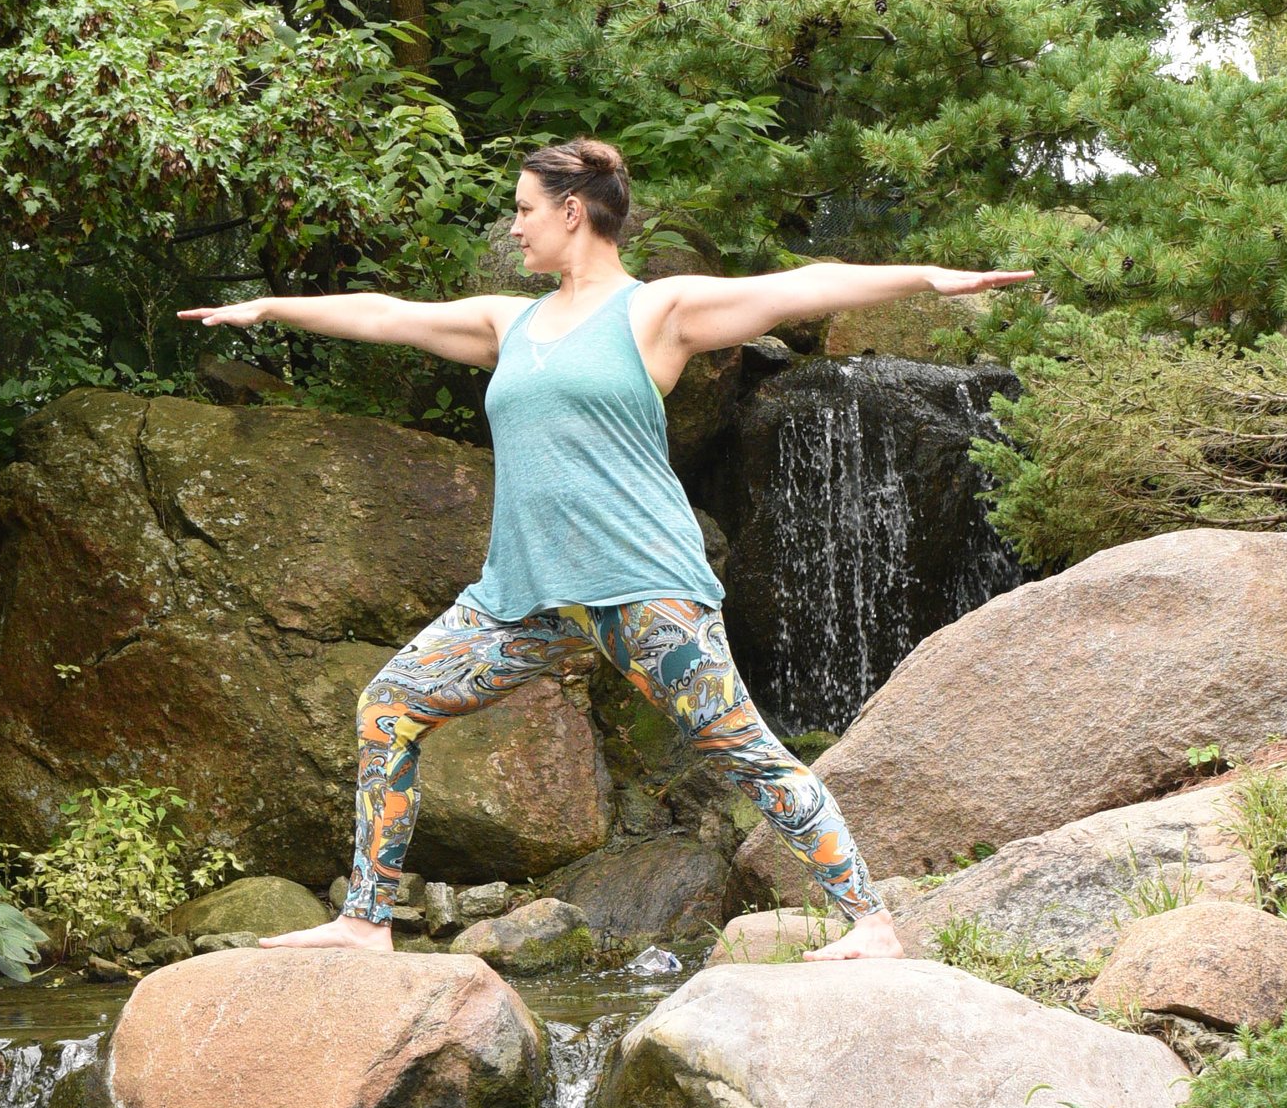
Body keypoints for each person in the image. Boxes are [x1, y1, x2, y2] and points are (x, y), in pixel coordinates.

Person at [177, 137, 1030, 956]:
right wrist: (268, 306)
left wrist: (927, 279)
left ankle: (870, 923)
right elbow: (387, 315)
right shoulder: (508, 323)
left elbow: (801, 285)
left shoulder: (655, 311)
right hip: (525, 600)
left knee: (749, 755)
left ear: (574, 212)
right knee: (388, 707)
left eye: (524, 210)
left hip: (642, 592)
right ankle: (367, 919)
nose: (514, 227)